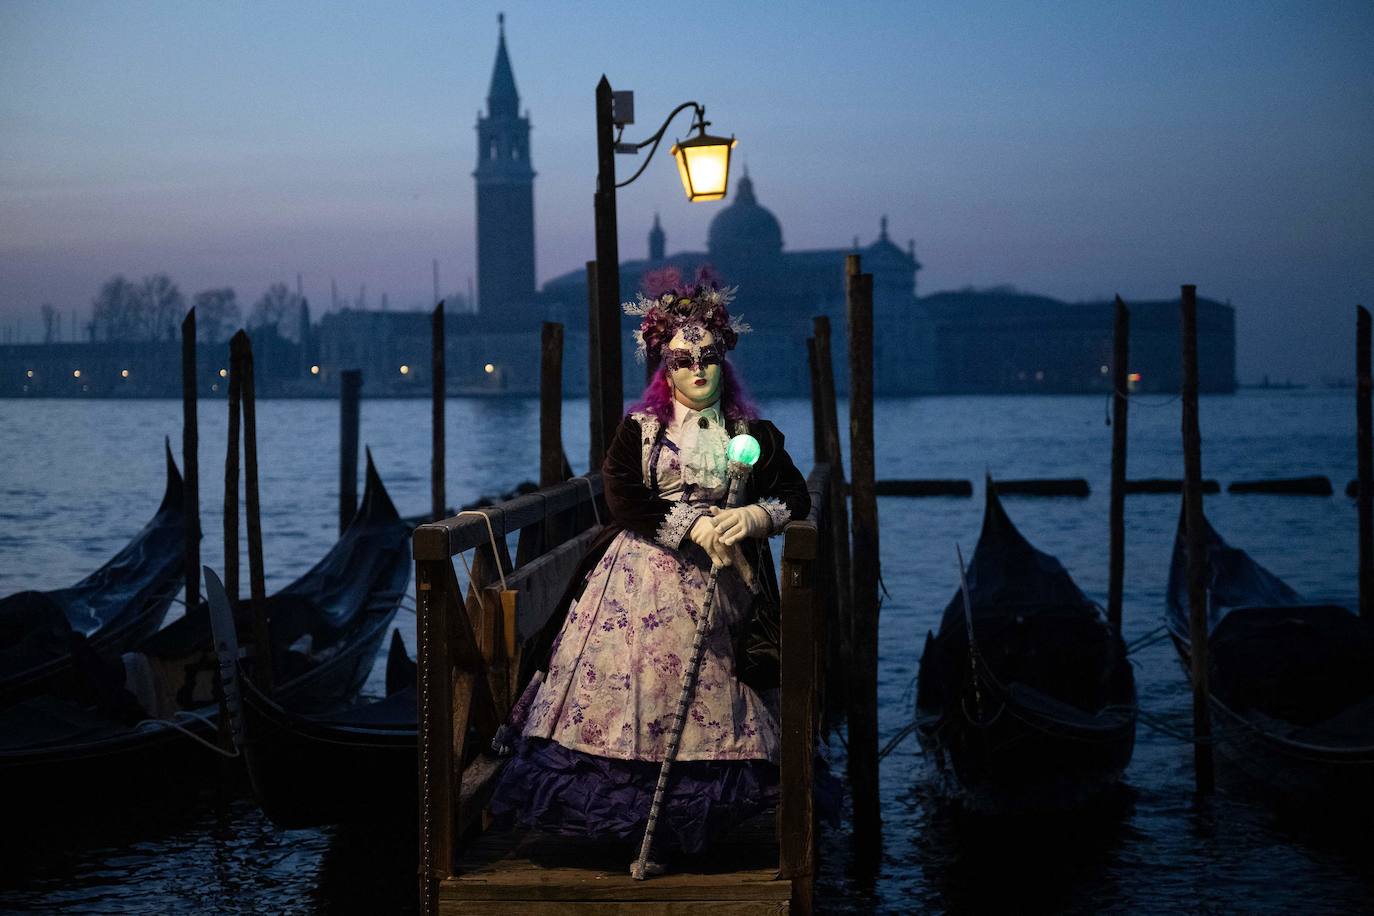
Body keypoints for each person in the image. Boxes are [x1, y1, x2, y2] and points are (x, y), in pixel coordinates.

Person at [488, 267, 811, 857]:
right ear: (666, 366)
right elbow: (625, 497)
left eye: (709, 357)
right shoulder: (640, 431)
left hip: (717, 588)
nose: (698, 368)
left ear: (723, 361)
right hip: (635, 576)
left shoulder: (751, 433)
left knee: (711, 684)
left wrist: (751, 519)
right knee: (624, 674)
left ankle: (700, 809)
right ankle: (619, 810)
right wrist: (693, 526)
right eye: (685, 359)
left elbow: (794, 494)